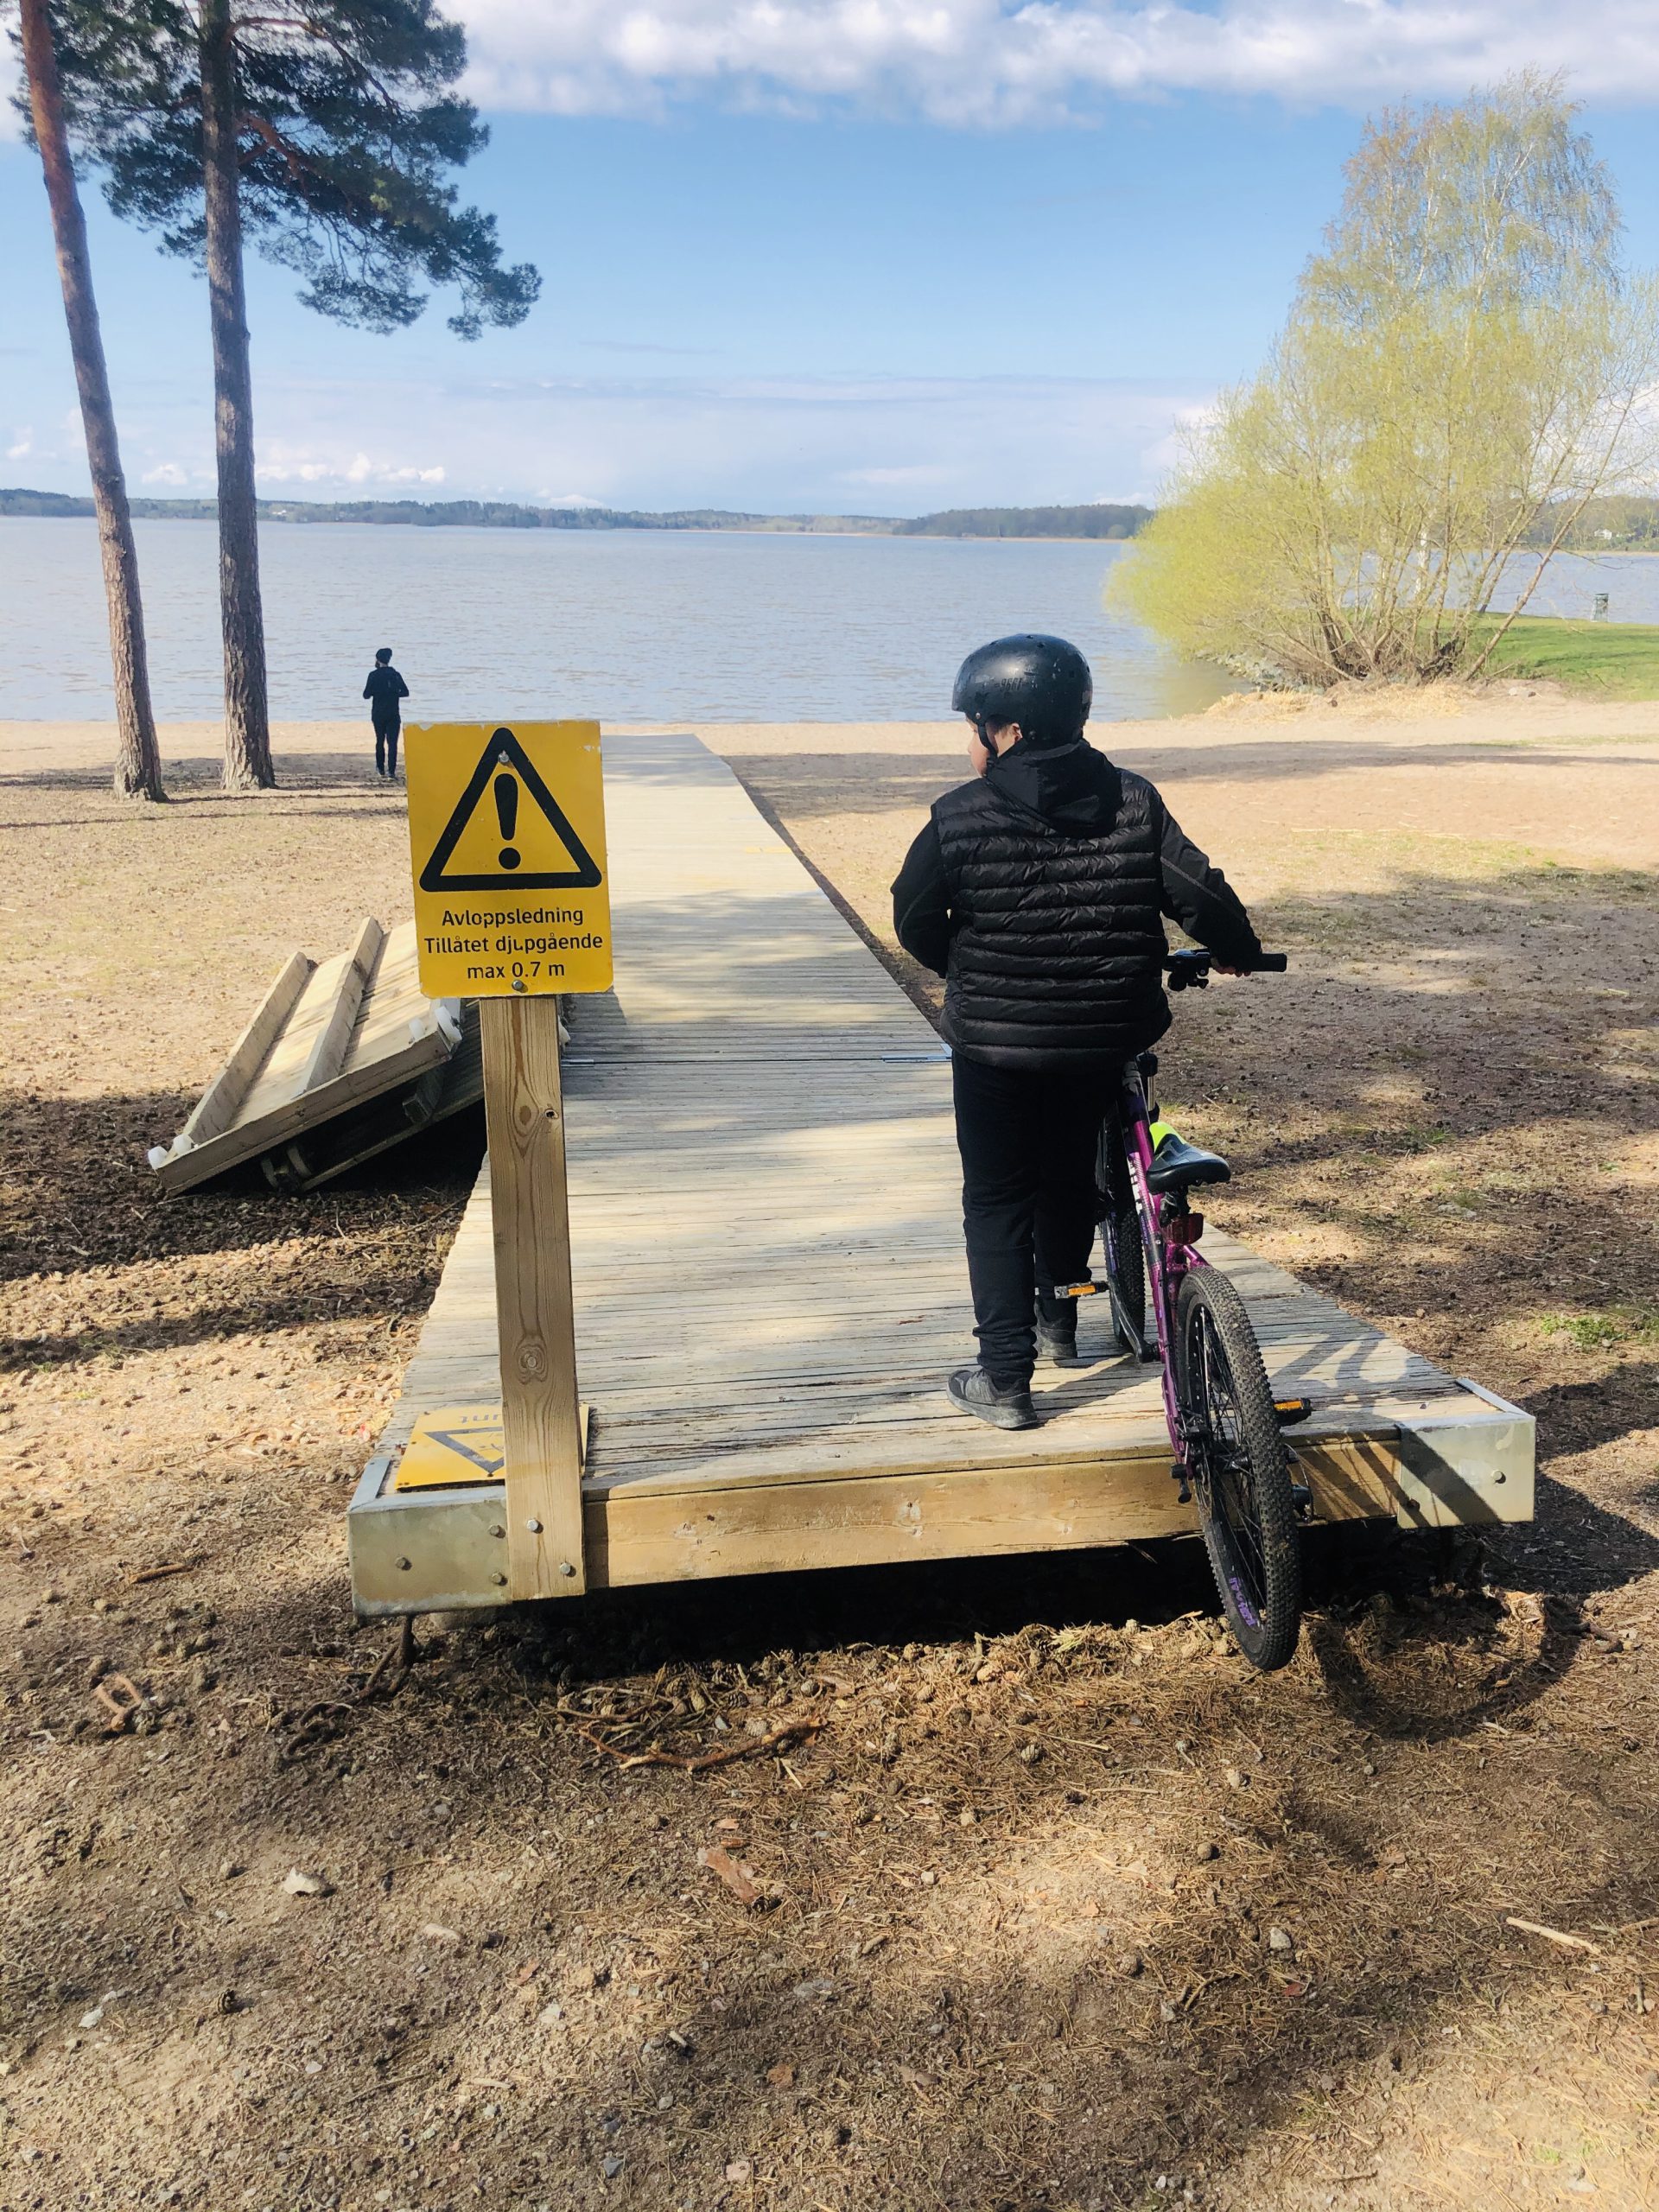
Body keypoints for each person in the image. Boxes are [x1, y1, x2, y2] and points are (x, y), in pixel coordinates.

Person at [891, 633, 1265, 1431]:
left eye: (974, 725)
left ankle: (1006, 1379)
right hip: (1105, 1034)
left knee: (997, 1199)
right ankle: (1060, 1320)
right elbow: (1198, 892)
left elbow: (914, 918)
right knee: (1068, 1176)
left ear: (1010, 731)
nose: (970, 741)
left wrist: (974, 969)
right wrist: (1237, 949)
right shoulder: (1133, 800)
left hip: (996, 1045)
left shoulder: (958, 815)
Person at [363, 646, 410, 779]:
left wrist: (378, 692)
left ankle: (380, 768)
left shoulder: (373, 675)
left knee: (380, 740)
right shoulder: (395, 674)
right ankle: (391, 771)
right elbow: (405, 692)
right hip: (393, 712)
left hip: (378, 713)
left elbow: (366, 695)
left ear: (378, 660)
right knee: (392, 743)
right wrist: (393, 693)